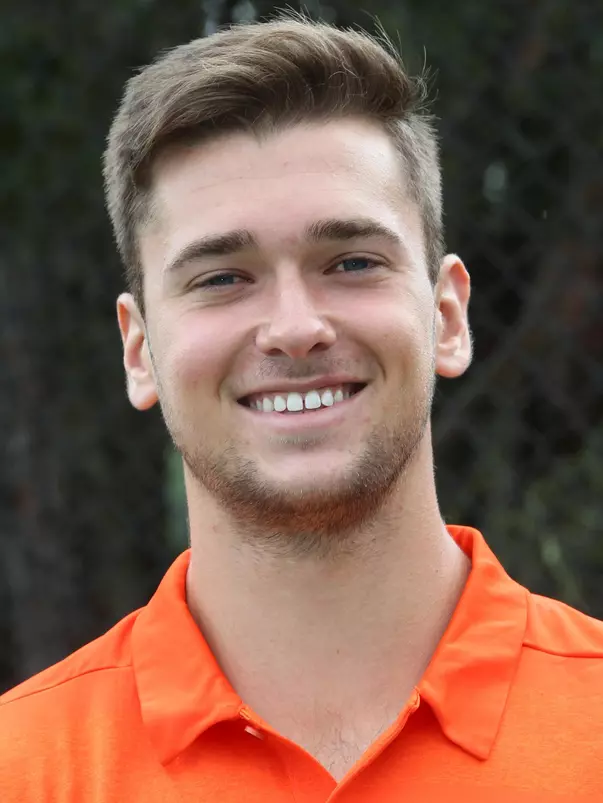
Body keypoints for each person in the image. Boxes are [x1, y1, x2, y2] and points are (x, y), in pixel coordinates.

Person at [2, 12, 603, 802]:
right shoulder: (23, 767)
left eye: (350, 262)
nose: (293, 328)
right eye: (221, 277)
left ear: (448, 316)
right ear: (139, 350)